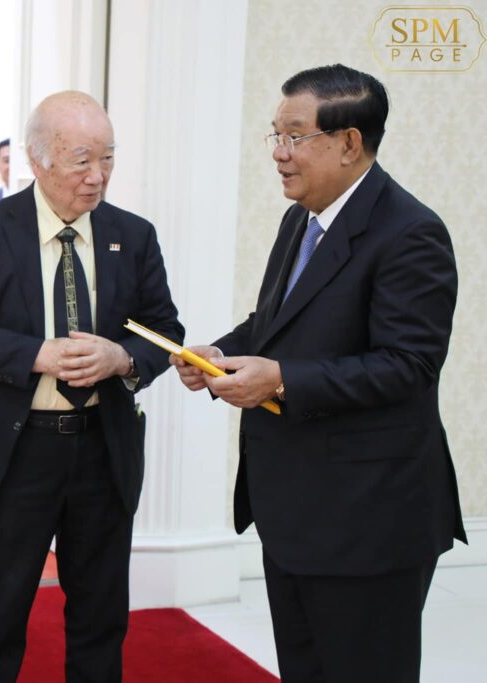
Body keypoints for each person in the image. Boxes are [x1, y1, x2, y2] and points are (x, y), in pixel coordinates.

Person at [171, 64, 465, 683]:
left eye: (295, 136)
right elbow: (275, 323)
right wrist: (220, 352)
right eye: (275, 135)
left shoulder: (411, 233)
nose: (279, 153)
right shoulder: (302, 217)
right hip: (296, 509)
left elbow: (407, 365)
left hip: (368, 518)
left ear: (349, 142)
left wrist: (280, 380)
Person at [0, 91, 183, 683]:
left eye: (107, 158)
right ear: (37, 160)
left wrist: (123, 358)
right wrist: (37, 355)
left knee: (100, 615)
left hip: (103, 447)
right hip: (15, 450)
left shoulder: (133, 235)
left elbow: (165, 331)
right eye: (81, 160)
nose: (97, 176)